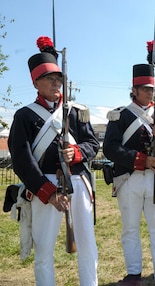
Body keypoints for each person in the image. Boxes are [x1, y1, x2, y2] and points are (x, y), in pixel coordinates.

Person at [8, 37, 98, 285]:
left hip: (78, 183)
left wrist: (77, 153)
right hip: (44, 186)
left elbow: (93, 144)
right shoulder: (24, 116)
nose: (56, 83)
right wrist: (48, 193)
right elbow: (22, 160)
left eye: (59, 78)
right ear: (36, 82)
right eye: (50, 78)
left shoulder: (77, 111)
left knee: (87, 244)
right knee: (44, 251)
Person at [103, 62, 155, 286]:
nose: (148, 92)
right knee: (130, 228)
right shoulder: (121, 116)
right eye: (144, 88)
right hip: (129, 179)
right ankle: (133, 274)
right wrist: (140, 160)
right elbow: (110, 148)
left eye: (151, 88)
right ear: (134, 89)